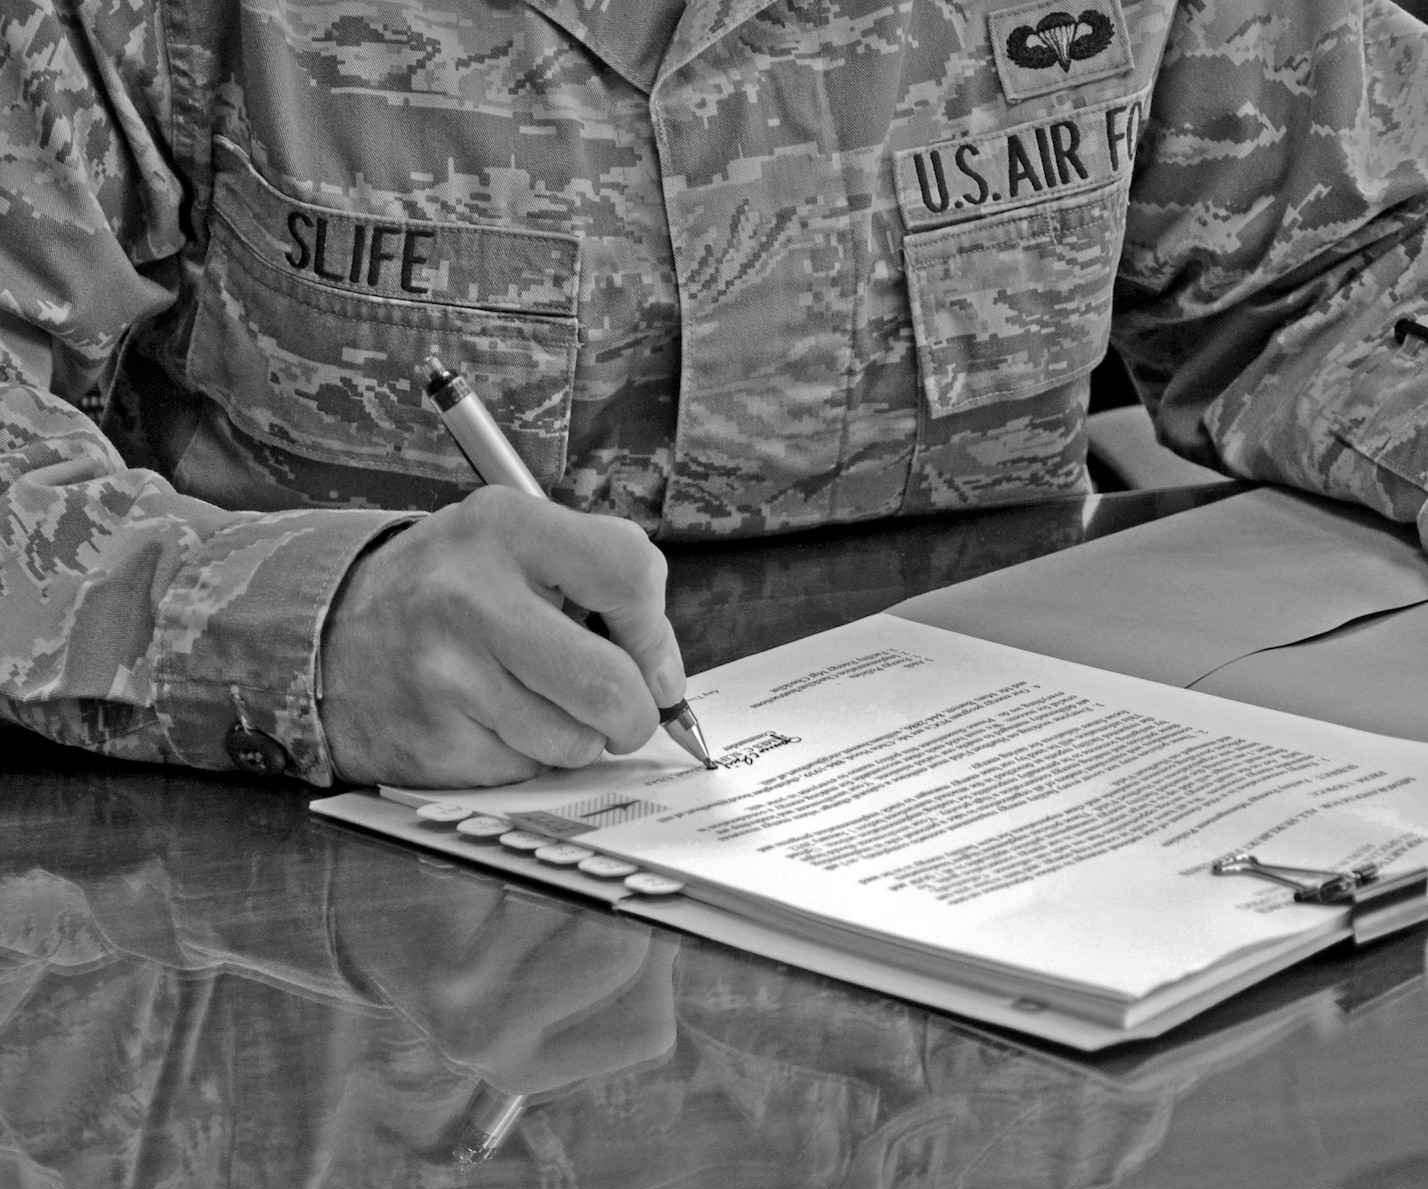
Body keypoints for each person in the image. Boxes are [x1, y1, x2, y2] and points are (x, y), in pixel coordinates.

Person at [2, 1, 1426, 791]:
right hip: (326, 941)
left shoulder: (1046, 1177)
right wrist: (305, 632)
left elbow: (1353, 257)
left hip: (1007, 861)